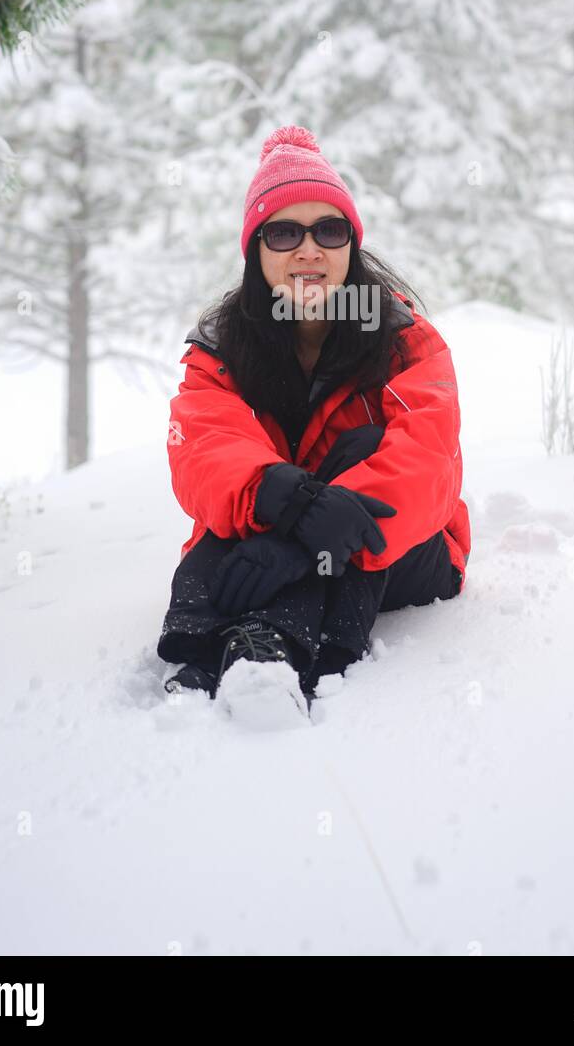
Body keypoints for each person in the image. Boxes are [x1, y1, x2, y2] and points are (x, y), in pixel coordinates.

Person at [156, 124, 471, 721]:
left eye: (329, 230)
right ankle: (237, 644)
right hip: (281, 537)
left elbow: (428, 464)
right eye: (284, 232)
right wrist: (287, 500)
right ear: (256, 250)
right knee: (239, 499)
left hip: (405, 549)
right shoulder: (221, 349)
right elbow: (203, 447)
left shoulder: (406, 342)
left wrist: (297, 543)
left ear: (351, 243)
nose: (309, 250)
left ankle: (267, 649)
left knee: (366, 445)